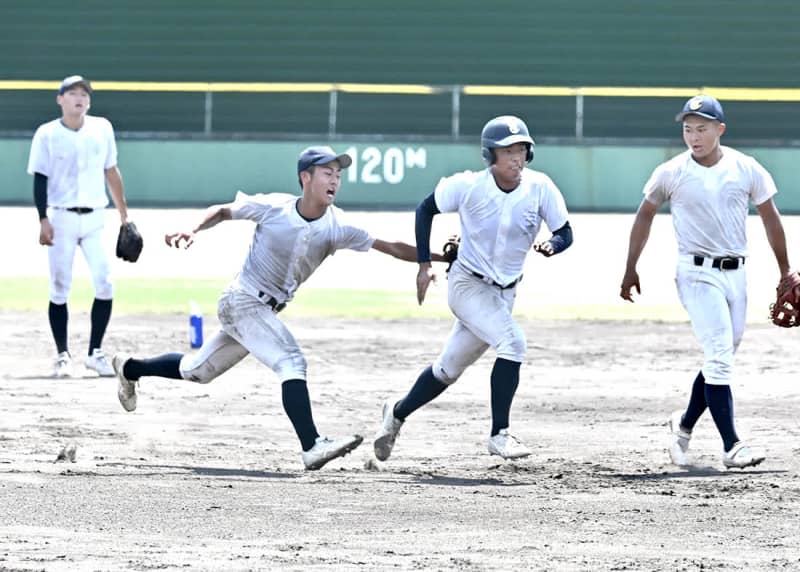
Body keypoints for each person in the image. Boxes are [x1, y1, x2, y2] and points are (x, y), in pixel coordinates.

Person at [112, 145, 445, 471]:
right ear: (306, 177)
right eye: (327, 173)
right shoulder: (275, 208)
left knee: (197, 370)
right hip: (242, 300)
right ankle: (312, 446)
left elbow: (391, 245)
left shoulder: (337, 225)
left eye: (338, 175)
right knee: (291, 361)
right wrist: (192, 228)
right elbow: (223, 211)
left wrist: (439, 258)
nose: (335, 181)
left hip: (261, 311)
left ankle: (129, 368)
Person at [373, 115, 573, 462]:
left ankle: (397, 412)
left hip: (504, 293)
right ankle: (500, 434)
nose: (516, 158)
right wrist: (424, 264)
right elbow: (425, 209)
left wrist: (554, 244)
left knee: (447, 370)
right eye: (507, 150)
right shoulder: (467, 186)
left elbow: (565, 231)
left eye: (521, 149)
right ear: (490, 155)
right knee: (512, 343)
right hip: (467, 285)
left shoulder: (540, 187)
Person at [619, 94, 791, 469]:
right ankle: (732, 446)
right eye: (687, 129)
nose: (693, 136)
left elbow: (771, 218)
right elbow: (644, 215)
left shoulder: (746, 168)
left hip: (737, 274)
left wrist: (785, 271)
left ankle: (682, 427)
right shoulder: (672, 172)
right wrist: (631, 266)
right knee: (718, 354)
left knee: (721, 357)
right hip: (695, 272)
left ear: (720, 130)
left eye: (702, 128)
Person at [27, 75, 130, 378]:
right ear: (60, 99)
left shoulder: (102, 128)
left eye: (84, 93)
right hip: (60, 218)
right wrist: (42, 219)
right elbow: (40, 178)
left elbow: (111, 171)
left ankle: (95, 353)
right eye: (72, 93)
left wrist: (126, 216)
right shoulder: (47, 134)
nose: (79, 98)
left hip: (96, 216)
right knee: (60, 286)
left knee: (105, 282)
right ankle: (62, 355)